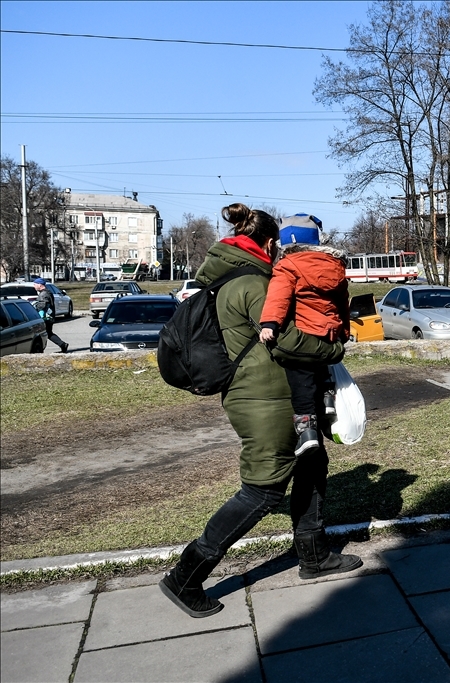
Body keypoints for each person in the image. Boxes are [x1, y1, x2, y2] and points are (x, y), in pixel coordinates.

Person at [160, 203, 361, 620]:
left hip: (275, 394)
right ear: (269, 243)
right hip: (263, 400)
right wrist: (334, 348)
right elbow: (286, 341)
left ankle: (314, 554)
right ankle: (186, 575)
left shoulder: (230, 276)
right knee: (263, 489)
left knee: (312, 463)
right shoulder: (252, 282)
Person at [258, 214, 348, 455]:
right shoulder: (335, 266)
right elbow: (343, 303)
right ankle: (328, 398)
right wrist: (344, 330)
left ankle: (307, 432)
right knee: (323, 366)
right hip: (329, 334)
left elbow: (279, 297)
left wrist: (269, 324)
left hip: (305, 330)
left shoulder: (288, 266)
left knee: (300, 378)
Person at [31, 278, 69, 353]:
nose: (34, 286)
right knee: (48, 333)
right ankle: (62, 345)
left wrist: (34, 306)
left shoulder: (44, 294)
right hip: (49, 317)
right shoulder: (47, 292)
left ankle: (38, 350)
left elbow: (42, 305)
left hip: (45, 318)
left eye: (35, 284)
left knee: (41, 334)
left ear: (40, 285)